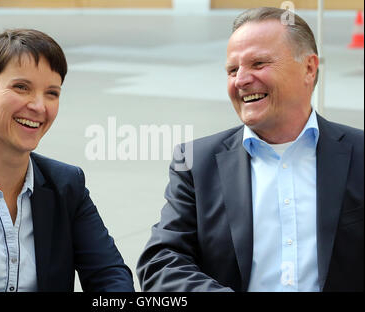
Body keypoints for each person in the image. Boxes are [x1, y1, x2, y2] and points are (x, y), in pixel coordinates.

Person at [137, 7, 363, 292]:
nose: (241, 80)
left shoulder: (359, 154)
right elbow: (162, 262)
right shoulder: (196, 163)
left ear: (309, 68)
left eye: (258, 64)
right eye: (233, 70)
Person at [0, 29, 134, 292]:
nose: (39, 106)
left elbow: (109, 276)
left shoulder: (66, 185)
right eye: (21, 87)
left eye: (52, 93)